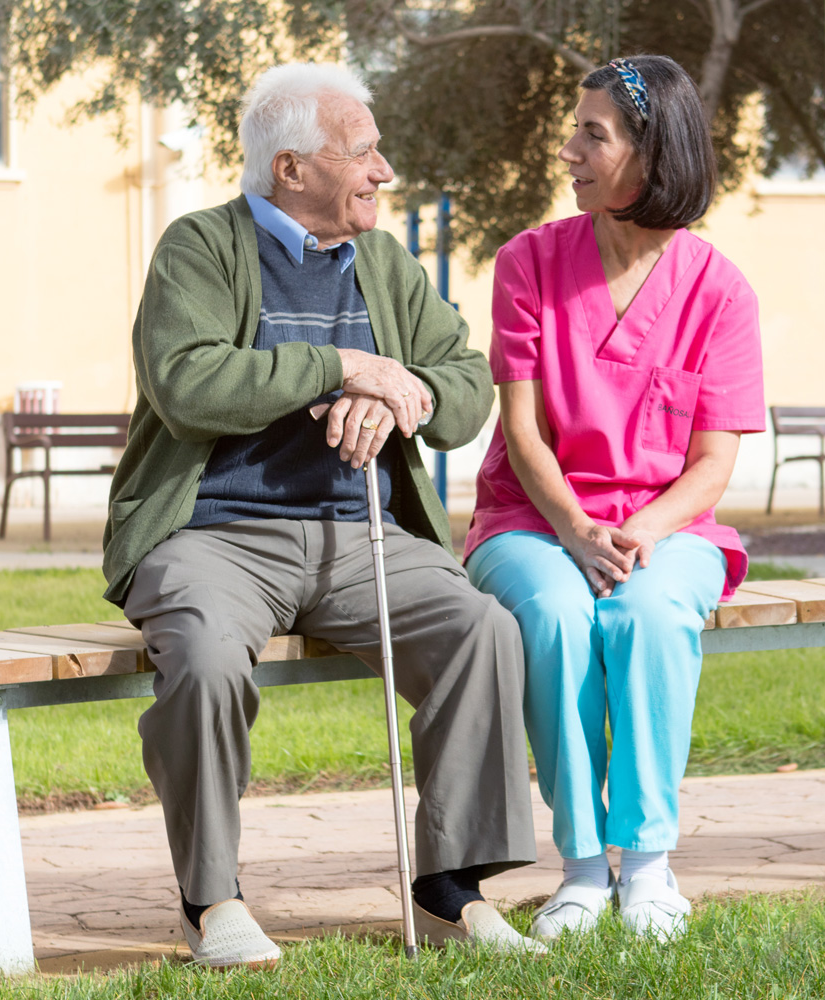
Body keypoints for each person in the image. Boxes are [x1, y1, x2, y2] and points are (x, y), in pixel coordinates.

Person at [102, 62, 543, 968]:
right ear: (292, 168)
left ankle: (449, 890)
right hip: (213, 537)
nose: (383, 170)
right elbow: (189, 384)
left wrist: (401, 391)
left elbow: (463, 387)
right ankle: (212, 900)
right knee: (207, 658)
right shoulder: (200, 246)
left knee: (481, 631)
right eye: (364, 152)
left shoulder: (381, 261)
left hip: (362, 537)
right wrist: (345, 367)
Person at [464, 54, 765, 942]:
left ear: (652, 153)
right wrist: (576, 528)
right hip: (531, 518)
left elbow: (713, 465)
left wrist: (632, 532)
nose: (569, 150)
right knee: (554, 618)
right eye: (574, 131)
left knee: (648, 616)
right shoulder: (528, 262)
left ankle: (652, 868)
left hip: (667, 527)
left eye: (591, 134)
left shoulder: (720, 290)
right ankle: (584, 871)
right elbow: (522, 433)